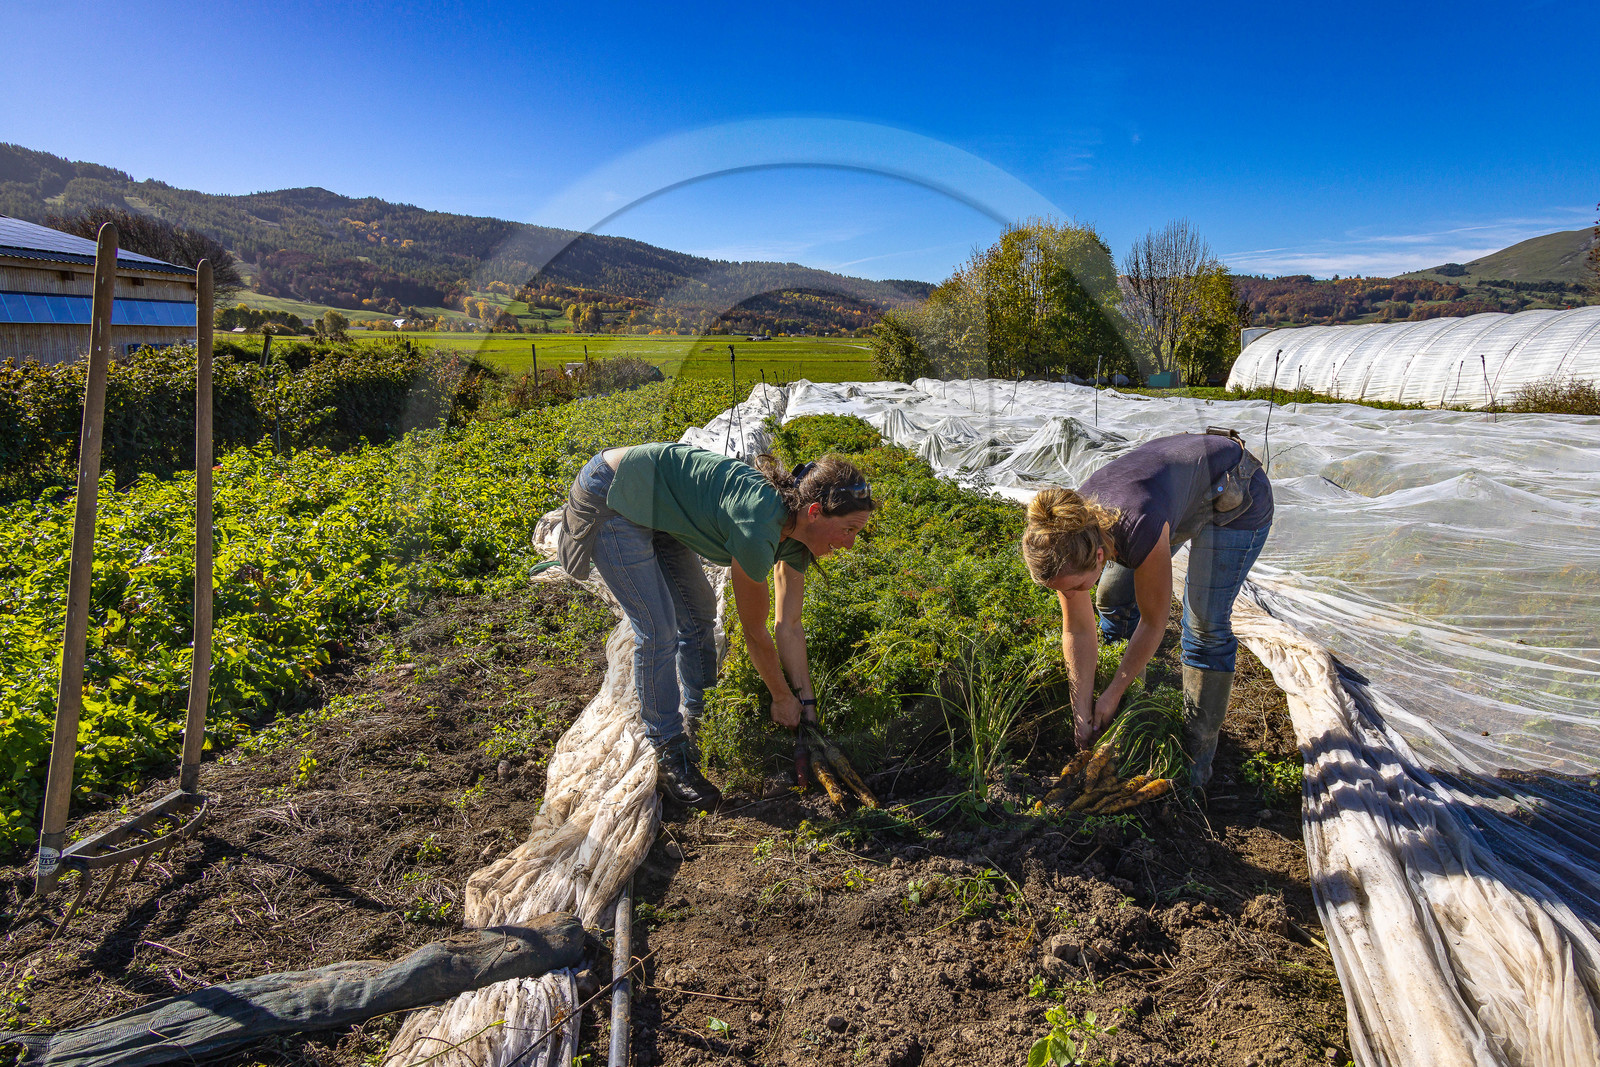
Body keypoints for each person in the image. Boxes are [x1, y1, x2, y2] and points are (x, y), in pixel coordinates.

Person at [557, 442, 876, 810]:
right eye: (849, 529)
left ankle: (700, 721)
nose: (850, 544)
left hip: (658, 501)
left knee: (698, 614)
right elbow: (755, 632)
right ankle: (668, 754)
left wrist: (806, 704)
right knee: (657, 629)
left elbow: (788, 624)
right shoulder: (759, 526)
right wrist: (780, 696)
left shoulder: (797, 535)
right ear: (816, 512)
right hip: (616, 494)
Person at [1020, 429, 1273, 787]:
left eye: (1078, 585)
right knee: (1111, 598)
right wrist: (1081, 709)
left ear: (1099, 554)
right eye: (1067, 589)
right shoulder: (1066, 538)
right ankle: (1122, 705)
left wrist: (1111, 693)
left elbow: (1156, 623)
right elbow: (1076, 628)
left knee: (1203, 626)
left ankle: (1196, 759)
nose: (1076, 593)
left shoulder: (1137, 525)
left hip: (1235, 491)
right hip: (1175, 488)